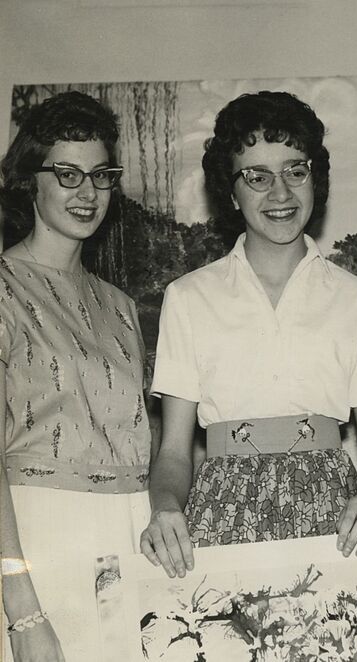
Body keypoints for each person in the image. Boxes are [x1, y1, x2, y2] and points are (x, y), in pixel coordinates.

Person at [140, 91, 357, 578]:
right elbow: (174, 452)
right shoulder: (188, 298)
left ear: (314, 178)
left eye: (294, 171)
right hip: (222, 511)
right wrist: (165, 507)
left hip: (332, 516)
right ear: (231, 192)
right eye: (256, 177)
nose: (279, 193)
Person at [0, 91, 151, 661]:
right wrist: (22, 609)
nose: (87, 192)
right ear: (29, 182)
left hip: (125, 542)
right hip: (37, 542)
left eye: (100, 175)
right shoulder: (4, 287)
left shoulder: (121, 305)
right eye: (66, 174)